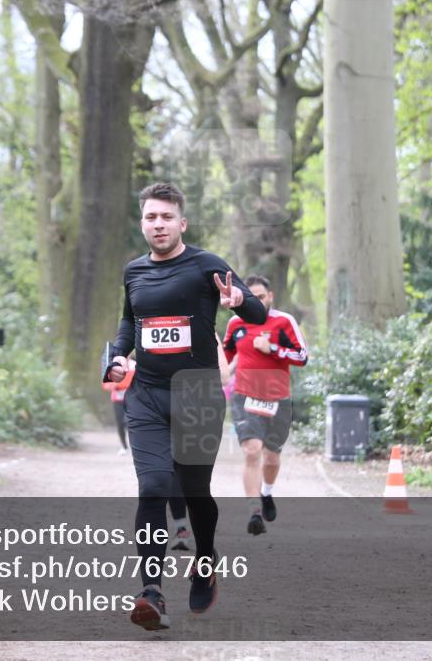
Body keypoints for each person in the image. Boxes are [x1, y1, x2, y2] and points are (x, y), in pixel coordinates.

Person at [105, 182, 267, 631]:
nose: (158, 224)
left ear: (182, 223)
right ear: (142, 223)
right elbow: (130, 322)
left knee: (195, 491)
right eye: (150, 217)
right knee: (154, 486)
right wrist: (118, 355)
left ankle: (205, 558)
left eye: (166, 217)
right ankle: (151, 592)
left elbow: (256, 313)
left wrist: (238, 301)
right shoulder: (134, 272)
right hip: (147, 395)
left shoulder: (207, 265)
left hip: (197, 395)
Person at [222, 274, 308, 535]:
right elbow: (225, 357)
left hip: (278, 399)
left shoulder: (284, 321)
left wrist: (273, 348)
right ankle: (254, 511)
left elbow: (302, 356)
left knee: (271, 457)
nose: (257, 301)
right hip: (245, 395)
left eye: (261, 297)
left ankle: (266, 492)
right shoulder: (236, 323)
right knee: (252, 451)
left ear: (270, 297)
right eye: (253, 297)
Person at [102, 357, 193, 551]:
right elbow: (107, 380)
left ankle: (183, 528)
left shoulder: (149, 360)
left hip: (174, 406)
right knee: (156, 479)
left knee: (176, 470)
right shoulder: (120, 356)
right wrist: (116, 375)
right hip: (137, 407)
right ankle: (124, 446)